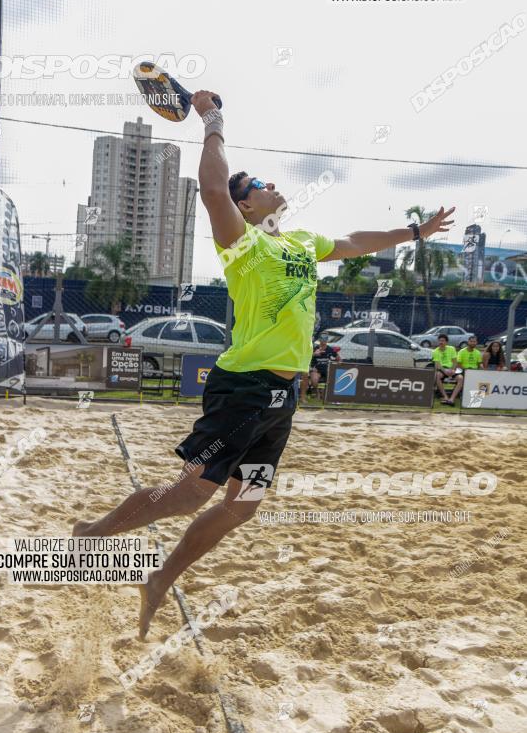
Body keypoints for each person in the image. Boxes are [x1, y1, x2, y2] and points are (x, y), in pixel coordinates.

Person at [72, 90, 455, 638]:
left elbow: (355, 241)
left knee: (244, 504)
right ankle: (96, 533)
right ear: (246, 207)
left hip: (282, 397)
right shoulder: (243, 243)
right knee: (188, 496)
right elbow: (211, 189)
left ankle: (158, 580)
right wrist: (212, 119)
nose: (269, 185)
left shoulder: (300, 241)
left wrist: (413, 233)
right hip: (244, 386)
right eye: (256, 184)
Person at [299, 338, 339, 403]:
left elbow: (338, 359)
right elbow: (306, 357)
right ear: (320, 340)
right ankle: (317, 392)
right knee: (314, 380)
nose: (324, 340)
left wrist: (335, 364)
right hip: (316, 369)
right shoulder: (314, 348)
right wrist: (314, 354)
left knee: (333, 378)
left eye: (325, 339)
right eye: (322, 339)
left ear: (327, 340)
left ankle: (326, 395)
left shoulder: (330, 349)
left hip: (327, 369)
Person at [432, 333, 463, 405]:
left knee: (460, 378)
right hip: (442, 369)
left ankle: (452, 399)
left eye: (443, 341)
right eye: (439, 340)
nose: (441, 342)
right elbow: (437, 365)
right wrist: (445, 371)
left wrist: (452, 370)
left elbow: (455, 361)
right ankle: (445, 397)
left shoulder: (452, 349)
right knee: (437, 375)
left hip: (452, 369)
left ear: (446, 342)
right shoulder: (435, 351)